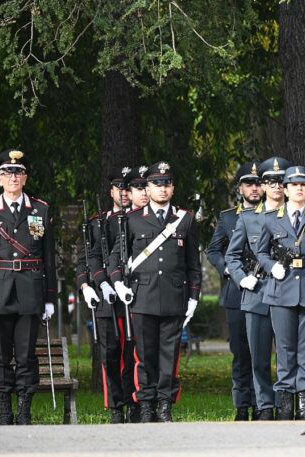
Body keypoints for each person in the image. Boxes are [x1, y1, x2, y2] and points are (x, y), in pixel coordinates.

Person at [108, 161, 202, 423]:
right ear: (147, 188)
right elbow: (116, 258)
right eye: (157, 184)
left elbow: (193, 264)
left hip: (174, 297)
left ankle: (165, 404)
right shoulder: (132, 220)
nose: (162, 189)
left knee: (169, 355)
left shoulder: (185, 219)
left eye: (167, 184)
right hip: (142, 297)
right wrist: (118, 283)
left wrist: (194, 296)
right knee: (145, 354)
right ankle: (146, 402)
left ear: (173, 188)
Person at [0, 149, 57, 425]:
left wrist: (50, 298)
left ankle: (24, 410)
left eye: (18, 172)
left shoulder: (40, 209)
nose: (13, 177)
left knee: (26, 356)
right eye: (7, 172)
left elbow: (48, 257)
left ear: (25, 177)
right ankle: (4, 410)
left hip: (31, 291)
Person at [255, 165, 305, 420]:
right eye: (294, 184)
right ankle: (286, 405)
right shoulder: (270, 219)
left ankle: (303, 406)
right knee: (286, 349)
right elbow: (261, 252)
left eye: (303, 184)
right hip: (281, 290)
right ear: (286, 189)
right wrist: (271, 266)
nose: (299, 188)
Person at [226, 156, 292, 421]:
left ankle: (289, 405)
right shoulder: (248, 219)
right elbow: (231, 256)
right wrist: (242, 278)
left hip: (289, 293)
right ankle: (265, 405)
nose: (276, 186)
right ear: (263, 186)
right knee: (259, 357)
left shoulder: (296, 215)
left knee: (289, 356)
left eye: (281, 181)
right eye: (270, 181)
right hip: (258, 293)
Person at [76, 166, 140, 423]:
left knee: (133, 354)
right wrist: (87, 286)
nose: (124, 193)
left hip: (134, 295)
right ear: (111, 190)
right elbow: (84, 260)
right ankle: (115, 406)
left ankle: (134, 403)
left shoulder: (140, 219)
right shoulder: (97, 222)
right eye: (120, 188)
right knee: (110, 355)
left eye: (128, 188)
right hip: (105, 298)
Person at [207, 161, 263, 421]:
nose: (254, 188)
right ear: (240, 188)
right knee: (241, 352)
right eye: (248, 183)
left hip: (264, 288)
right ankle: (242, 404)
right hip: (237, 292)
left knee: (262, 351)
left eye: (257, 183)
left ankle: (264, 404)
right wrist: (229, 270)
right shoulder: (229, 216)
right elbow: (214, 250)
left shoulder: (273, 213)